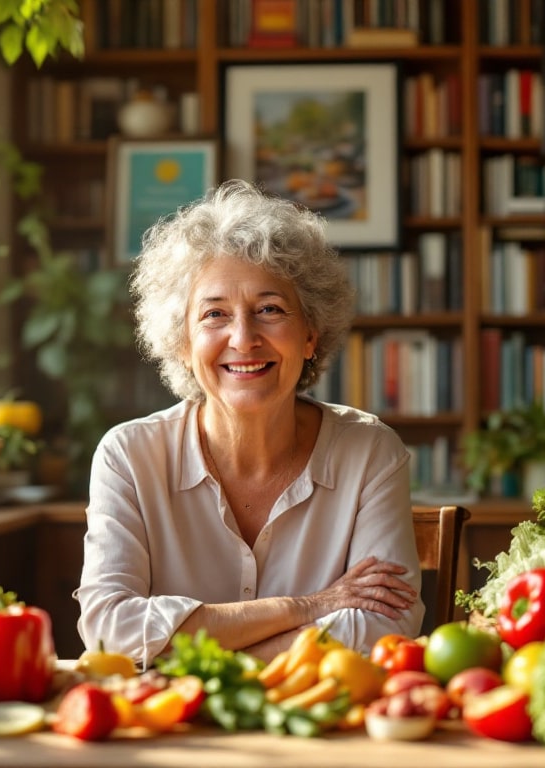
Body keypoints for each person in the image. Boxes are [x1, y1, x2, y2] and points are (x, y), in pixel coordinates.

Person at [75, 179, 423, 665]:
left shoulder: (369, 452)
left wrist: (194, 646)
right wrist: (310, 606)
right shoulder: (129, 456)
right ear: (182, 344)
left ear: (309, 336)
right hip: (171, 728)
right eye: (214, 314)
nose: (243, 338)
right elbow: (111, 631)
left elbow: (386, 626)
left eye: (269, 310)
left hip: (320, 722)